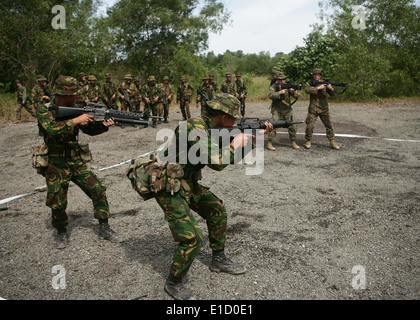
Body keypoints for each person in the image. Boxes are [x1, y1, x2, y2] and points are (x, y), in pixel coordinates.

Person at [153, 93, 274, 300]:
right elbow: (218, 163)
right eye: (233, 117)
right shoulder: (195, 127)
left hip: (185, 181)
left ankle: (218, 260)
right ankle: (173, 282)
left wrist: (252, 140)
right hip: (168, 184)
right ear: (223, 116)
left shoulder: (211, 128)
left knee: (216, 209)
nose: (235, 121)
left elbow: (226, 159)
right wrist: (236, 143)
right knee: (192, 237)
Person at [36, 76, 122, 249]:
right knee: (57, 200)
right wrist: (76, 120)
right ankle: (61, 231)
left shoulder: (76, 108)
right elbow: (51, 129)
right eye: (71, 96)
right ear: (61, 95)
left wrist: (104, 125)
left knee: (97, 189)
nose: (75, 98)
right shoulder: (45, 110)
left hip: (75, 161)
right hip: (56, 162)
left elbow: (89, 130)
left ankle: (104, 226)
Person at [304, 68, 340, 150]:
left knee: (329, 125)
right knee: (309, 126)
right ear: (313, 75)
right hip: (313, 109)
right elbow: (307, 89)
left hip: (324, 108)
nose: (316, 76)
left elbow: (333, 95)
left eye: (318, 74)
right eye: (315, 74)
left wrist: (331, 89)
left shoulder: (325, 83)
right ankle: (308, 140)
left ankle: (332, 141)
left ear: (320, 75)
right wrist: (317, 88)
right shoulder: (310, 83)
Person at [267, 72, 300, 150]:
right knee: (273, 124)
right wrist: (279, 92)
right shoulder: (273, 87)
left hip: (287, 109)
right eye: (280, 80)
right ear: (277, 79)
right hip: (276, 110)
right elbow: (270, 95)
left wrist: (293, 91)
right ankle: (269, 142)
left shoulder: (288, 86)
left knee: (293, 124)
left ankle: (293, 141)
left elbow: (297, 95)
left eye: (283, 80)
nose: (281, 81)